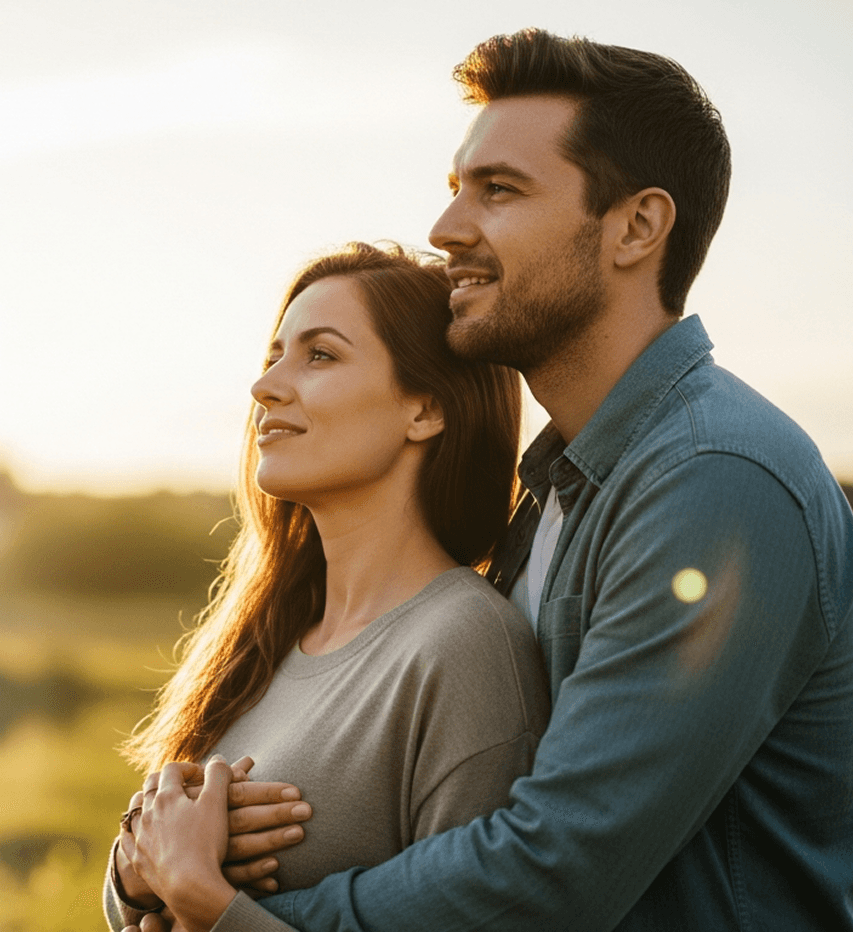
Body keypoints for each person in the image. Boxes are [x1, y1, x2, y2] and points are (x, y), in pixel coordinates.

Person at [129, 28, 853, 932]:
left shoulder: (714, 481)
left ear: (637, 226)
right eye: (455, 190)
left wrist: (226, 912)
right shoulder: (553, 492)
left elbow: (557, 867)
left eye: (499, 190)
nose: (446, 232)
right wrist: (150, 870)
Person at [104, 242, 548, 930]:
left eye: (320, 355)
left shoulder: (466, 646)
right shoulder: (268, 635)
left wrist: (202, 897)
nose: (266, 386)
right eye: (273, 356)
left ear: (425, 410)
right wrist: (136, 872)